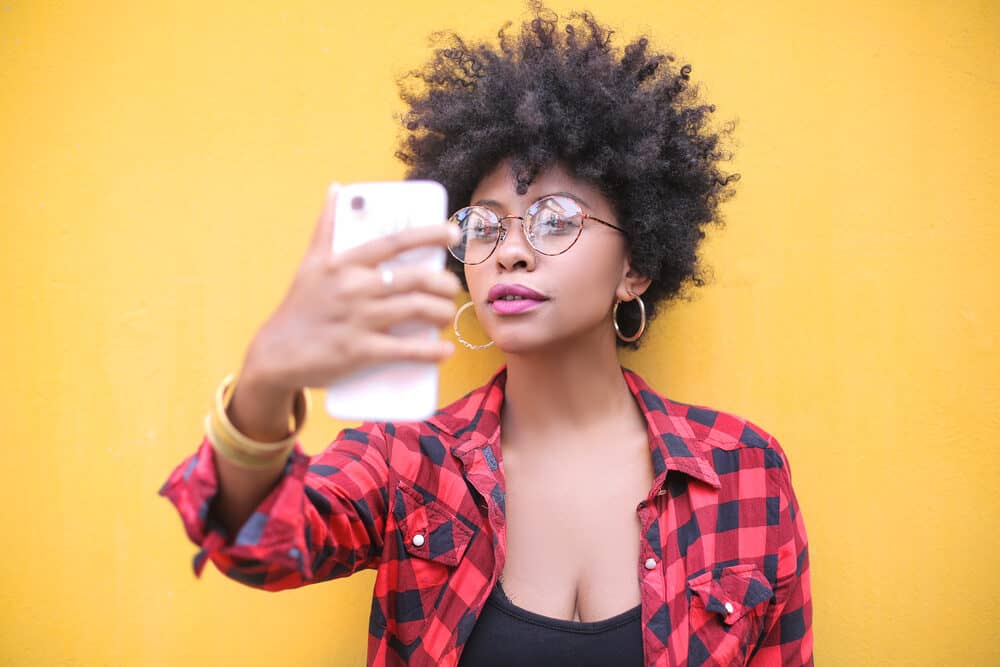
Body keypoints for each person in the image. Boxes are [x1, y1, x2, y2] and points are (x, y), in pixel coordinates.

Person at [159, 4, 813, 666]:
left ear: (636, 266)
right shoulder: (409, 462)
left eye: (555, 219)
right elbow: (252, 539)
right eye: (483, 225)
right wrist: (267, 379)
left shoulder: (743, 472)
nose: (510, 251)